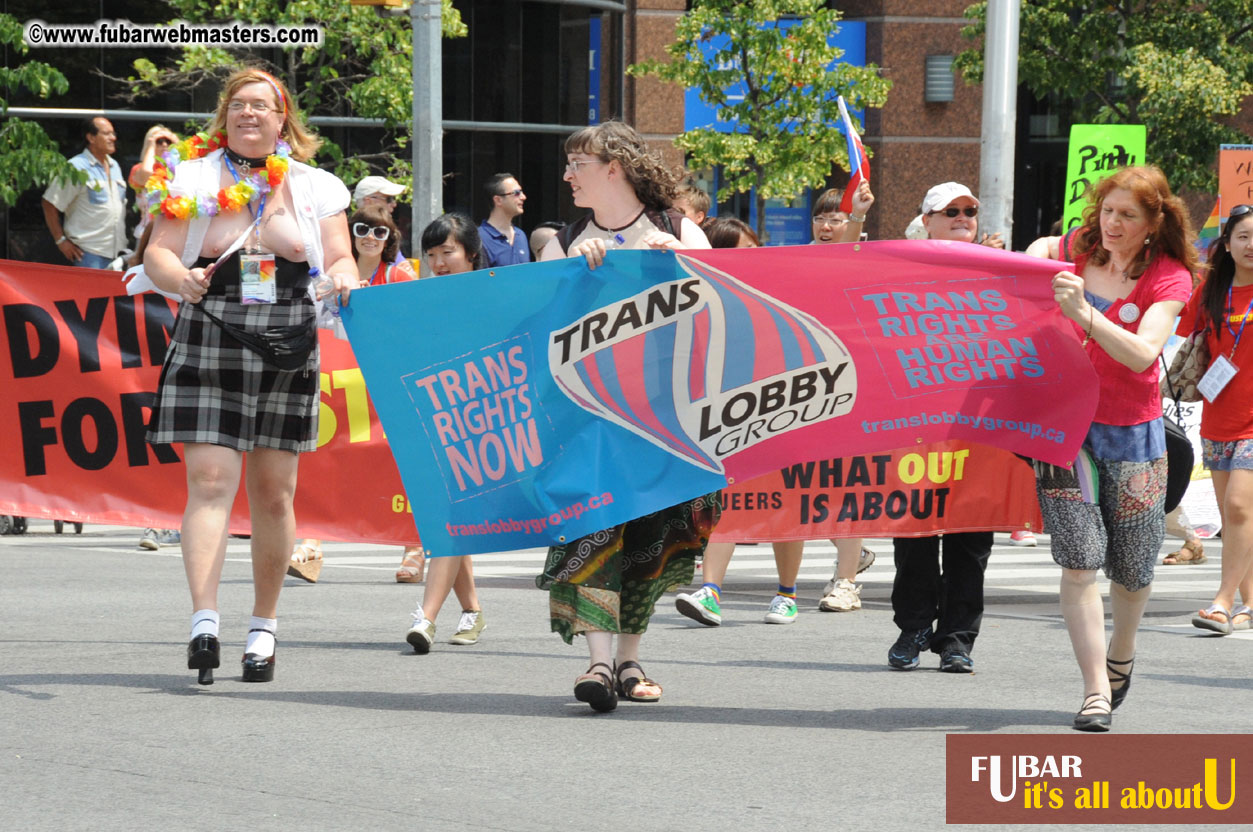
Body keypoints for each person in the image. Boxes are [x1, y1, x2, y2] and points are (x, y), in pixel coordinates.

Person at [140, 67, 356, 685]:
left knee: (274, 492)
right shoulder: (191, 177)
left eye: (261, 105)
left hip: (289, 330)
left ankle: (263, 628)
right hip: (212, 323)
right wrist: (177, 277)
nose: (248, 114)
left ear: (283, 118)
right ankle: (204, 622)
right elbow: (158, 252)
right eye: (238, 105)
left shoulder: (316, 186)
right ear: (224, 115)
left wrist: (343, 277)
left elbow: (339, 256)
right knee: (210, 479)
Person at [538, 121, 720, 712]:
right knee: (592, 531)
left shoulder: (678, 229)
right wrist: (573, 276)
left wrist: (684, 264)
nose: (566, 176)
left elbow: (727, 310)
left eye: (577, 163)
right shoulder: (562, 239)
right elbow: (538, 330)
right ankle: (596, 661)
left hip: (662, 419)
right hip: (587, 422)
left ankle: (629, 657)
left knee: (648, 538)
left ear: (613, 167)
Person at [1025, 165, 1196, 730]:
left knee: (1133, 571)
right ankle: (1095, 689)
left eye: (1128, 214)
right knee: (1079, 562)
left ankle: (1123, 650)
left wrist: (1083, 315)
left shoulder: (1170, 278)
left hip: (1133, 434)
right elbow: (1025, 258)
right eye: (1107, 211)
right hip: (1063, 432)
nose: (1113, 223)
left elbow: (1145, 355)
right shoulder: (1075, 252)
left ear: (1153, 224)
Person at [675, 217, 871, 627]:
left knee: (786, 503)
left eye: (749, 250)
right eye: (730, 253)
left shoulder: (781, 283)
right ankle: (710, 591)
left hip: (785, 410)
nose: (743, 260)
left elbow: (837, 267)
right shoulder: (697, 298)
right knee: (730, 500)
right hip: (729, 416)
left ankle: (786, 593)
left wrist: (859, 219)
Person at [887, 182, 998, 674]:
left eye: (969, 211)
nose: (961, 217)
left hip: (980, 430)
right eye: (949, 211)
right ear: (926, 220)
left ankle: (956, 640)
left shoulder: (1001, 273)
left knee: (970, 541)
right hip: (915, 428)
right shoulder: (899, 271)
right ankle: (913, 628)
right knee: (913, 535)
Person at [288, 204, 420, 584]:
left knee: (394, 461)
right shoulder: (330, 275)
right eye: (362, 228)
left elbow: (410, 320)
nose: (369, 237)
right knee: (329, 456)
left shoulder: (398, 273)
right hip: (338, 381)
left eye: (380, 232)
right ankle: (312, 541)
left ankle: (413, 545)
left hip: (384, 381)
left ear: (389, 239)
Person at [404, 213, 489, 651]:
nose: (438, 262)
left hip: (479, 425)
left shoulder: (494, 292)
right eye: (432, 254)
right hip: (434, 420)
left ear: (471, 254)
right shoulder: (420, 298)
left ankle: (426, 617)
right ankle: (472, 610)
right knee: (454, 521)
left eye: (448, 252)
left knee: (451, 521)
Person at [1179, 204, 1253, 634]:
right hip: (1218, 416)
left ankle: (1221, 603)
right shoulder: (1211, 291)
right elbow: (1180, 325)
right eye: (1242, 236)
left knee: (1241, 507)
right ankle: (1249, 603)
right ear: (1226, 244)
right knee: (1235, 518)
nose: (1251, 245)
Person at [809, 183, 879, 612]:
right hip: (807, 388)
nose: (826, 225)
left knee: (846, 485)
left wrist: (857, 217)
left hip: (852, 387)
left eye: (835, 218)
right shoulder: (798, 258)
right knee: (805, 486)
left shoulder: (862, 256)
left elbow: (845, 257)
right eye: (821, 217)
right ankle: (855, 553)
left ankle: (846, 580)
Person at [42, 116, 128, 269]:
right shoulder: (76, 167)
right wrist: (61, 241)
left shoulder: (115, 166)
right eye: (106, 134)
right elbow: (49, 203)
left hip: (117, 256)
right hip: (89, 255)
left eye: (113, 134)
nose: (113, 138)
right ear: (91, 138)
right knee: (93, 294)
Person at [478, 172, 530, 267]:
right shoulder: (480, 238)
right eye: (516, 193)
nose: (523, 197)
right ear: (498, 200)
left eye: (521, 192)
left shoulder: (521, 236)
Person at [353, 176, 407, 263]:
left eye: (379, 232)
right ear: (369, 201)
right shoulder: (343, 235)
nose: (394, 204)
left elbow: (401, 265)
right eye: (389, 199)